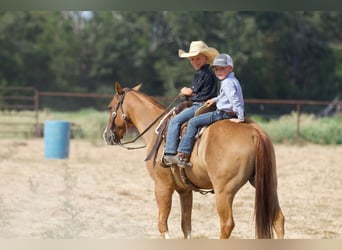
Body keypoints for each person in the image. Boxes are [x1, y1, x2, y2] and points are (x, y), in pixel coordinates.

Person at [164, 53, 245, 168]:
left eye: (222, 68)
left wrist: (240, 117)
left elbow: (234, 99)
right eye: (217, 69)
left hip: (221, 114)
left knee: (192, 122)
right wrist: (215, 99)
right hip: (220, 108)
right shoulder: (232, 80)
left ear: (230, 68)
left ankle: (181, 154)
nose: (218, 71)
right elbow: (225, 95)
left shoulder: (219, 80)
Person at [163, 41, 219, 166]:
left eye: (198, 58)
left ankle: (170, 153)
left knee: (174, 121)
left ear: (205, 58)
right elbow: (204, 92)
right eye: (192, 59)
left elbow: (190, 91)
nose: (195, 62)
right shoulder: (211, 73)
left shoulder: (200, 74)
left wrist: (184, 91)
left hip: (199, 105)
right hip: (210, 105)